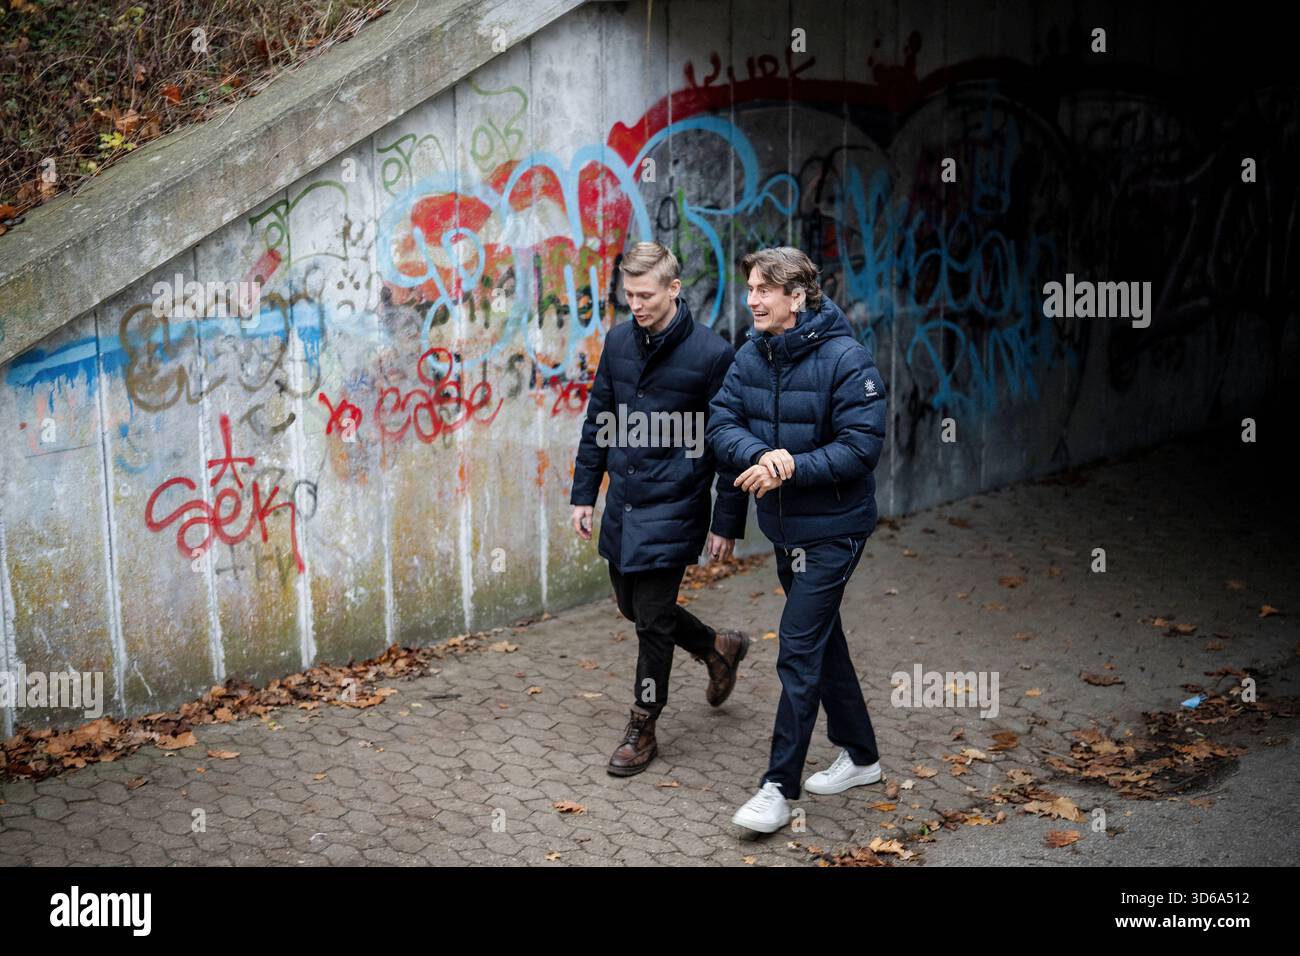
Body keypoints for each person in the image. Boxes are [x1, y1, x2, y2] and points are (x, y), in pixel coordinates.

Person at [707, 246, 887, 833]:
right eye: (751, 288)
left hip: (837, 529)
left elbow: (862, 448)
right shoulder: (750, 354)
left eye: (764, 289)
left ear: (798, 296)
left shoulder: (846, 359)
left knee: (798, 647)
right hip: (787, 531)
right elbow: (721, 426)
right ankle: (862, 755)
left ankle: (778, 789)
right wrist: (759, 459)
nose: (752, 298)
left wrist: (789, 465)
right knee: (822, 640)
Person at [570, 241, 750, 776]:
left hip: (675, 507)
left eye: (645, 294)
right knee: (634, 608)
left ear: (674, 289)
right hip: (624, 504)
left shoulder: (712, 355)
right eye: (628, 295)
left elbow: (729, 442)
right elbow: (598, 419)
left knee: (651, 623)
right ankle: (717, 646)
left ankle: (643, 725)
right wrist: (584, 493)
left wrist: (725, 521)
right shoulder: (620, 342)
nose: (636, 305)